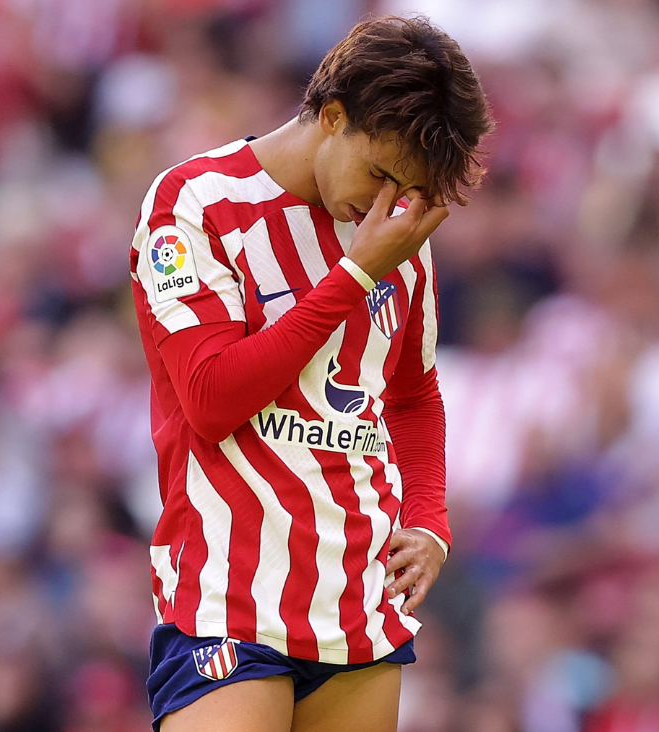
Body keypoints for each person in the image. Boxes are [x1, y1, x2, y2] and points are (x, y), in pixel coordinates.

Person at [128, 15, 493, 732]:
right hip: (227, 601)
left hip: (358, 604)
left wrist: (429, 521)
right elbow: (209, 398)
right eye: (380, 173)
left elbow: (413, 396)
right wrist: (356, 273)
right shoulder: (196, 205)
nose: (385, 201)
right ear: (331, 115)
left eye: (410, 188)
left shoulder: (398, 234)